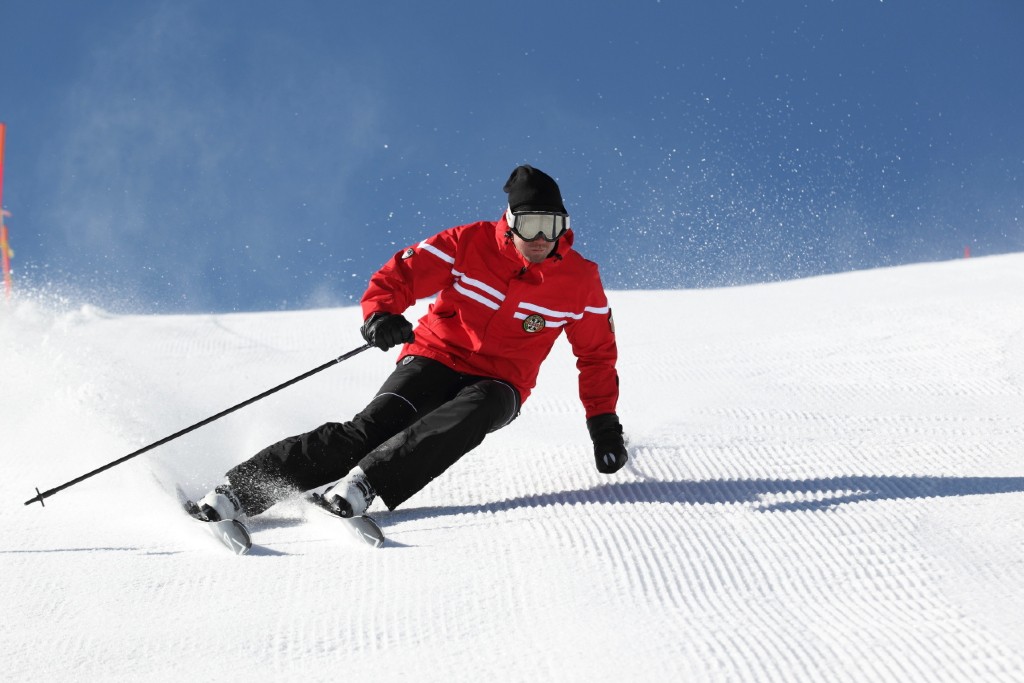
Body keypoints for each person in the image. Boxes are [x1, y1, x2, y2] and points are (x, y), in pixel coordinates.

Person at [195, 164, 628, 524]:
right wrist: (380, 314)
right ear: (510, 221)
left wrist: (603, 424)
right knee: (371, 429)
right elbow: (400, 274)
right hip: (435, 356)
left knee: (468, 416)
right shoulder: (468, 242)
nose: (541, 237)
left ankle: (366, 484)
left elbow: (596, 355)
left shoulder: (580, 280)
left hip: (502, 381)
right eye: (530, 223)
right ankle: (240, 491)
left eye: (552, 225)